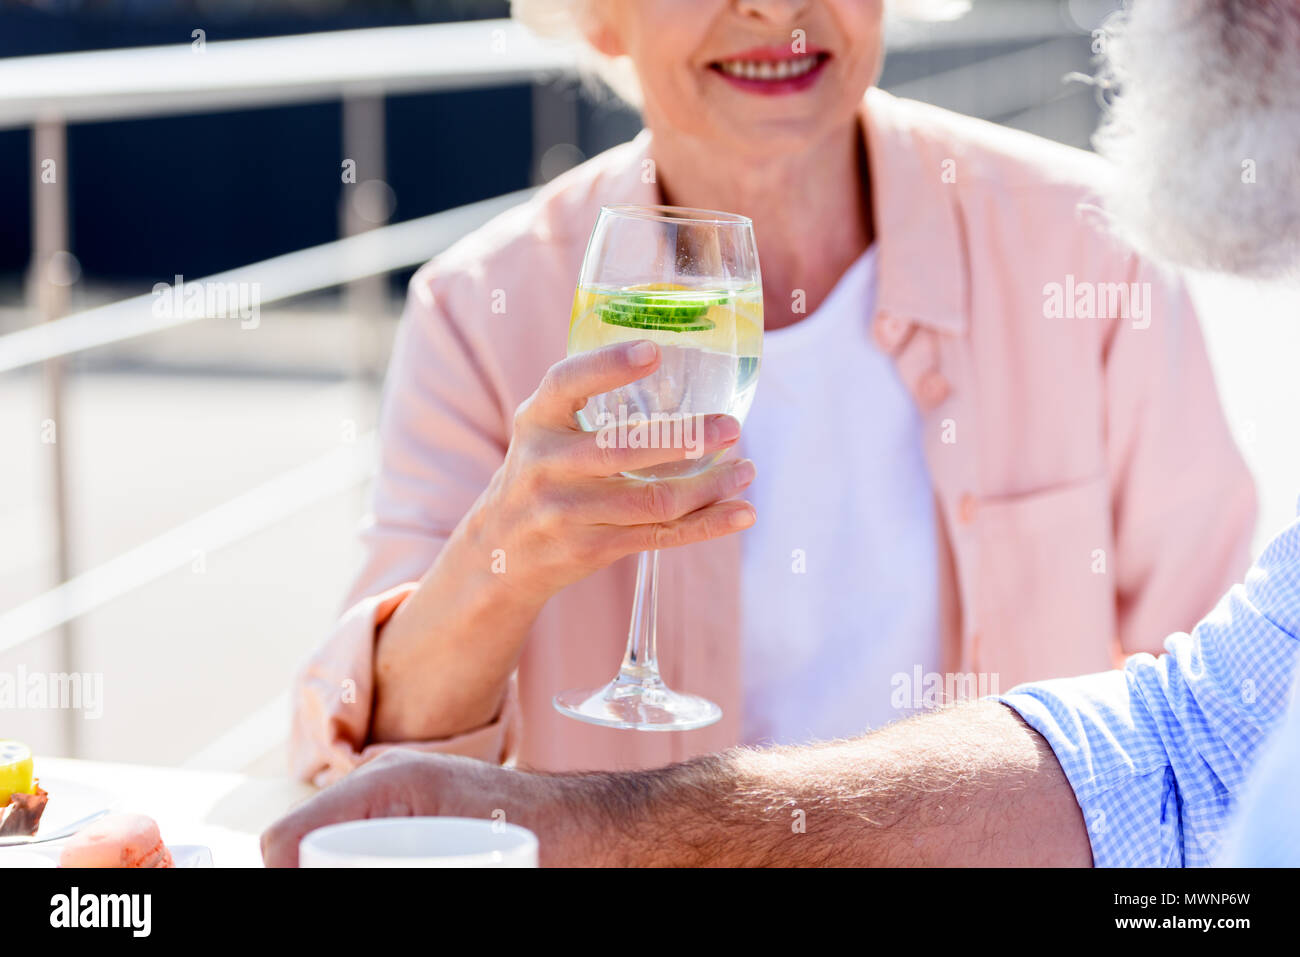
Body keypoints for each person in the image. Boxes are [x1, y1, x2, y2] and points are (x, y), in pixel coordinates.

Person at [263, 0, 1300, 867]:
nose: (772, 8)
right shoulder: (483, 306)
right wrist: (503, 561)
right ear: (600, 18)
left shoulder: (1087, 247)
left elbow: (1222, 724)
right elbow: (377, 776)